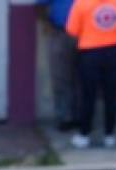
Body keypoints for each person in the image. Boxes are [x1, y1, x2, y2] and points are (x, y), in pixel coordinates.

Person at [66, 0, 116, 149]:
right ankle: (109, 135)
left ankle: (84, 135)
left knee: (88, 95)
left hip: (89, 53)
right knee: (111, 96)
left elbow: (72, 29)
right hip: (113, 51)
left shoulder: (81, 3)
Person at [38, 0, 79, 131]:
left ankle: (81, 117)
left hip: (84, 35)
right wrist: (46, 24)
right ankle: (64, 117)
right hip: (59, 33)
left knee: (82, 78)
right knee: (60, 76)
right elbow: (40, 5)